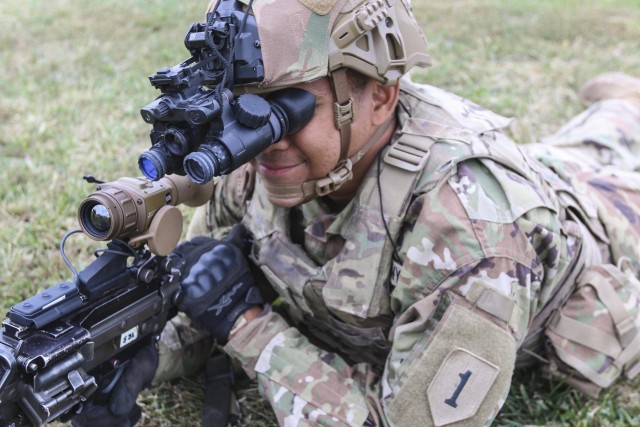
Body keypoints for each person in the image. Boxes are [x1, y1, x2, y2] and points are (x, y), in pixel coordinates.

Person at [71, 0, 640, 426]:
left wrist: (249, 328)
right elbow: (211, 286)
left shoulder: (471, 232)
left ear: (381, 95)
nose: (263, 140)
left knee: (606, 173)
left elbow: (404, 420)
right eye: (242, 108)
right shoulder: (259, 152)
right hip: (528, 169)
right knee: (580, 149)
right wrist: (139, 354)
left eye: (289, 109)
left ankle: (621, 109)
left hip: (600, 229)